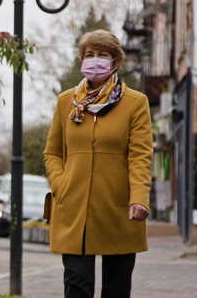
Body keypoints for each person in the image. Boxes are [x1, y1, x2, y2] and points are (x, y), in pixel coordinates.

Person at [43, 29, 153, 298]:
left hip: (118, 208)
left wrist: (139, 198)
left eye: (102, 54)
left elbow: (140, 155)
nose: (95, 60)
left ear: (116, 61)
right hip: (74, 207)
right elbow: (53, 153)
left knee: (116, 288)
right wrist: (61, 184)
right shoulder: (66, 101)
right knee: (76, 285)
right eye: (89, 55)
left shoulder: (135, 103)